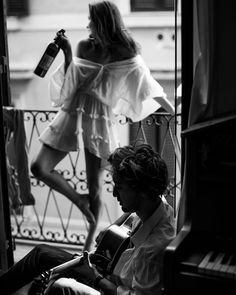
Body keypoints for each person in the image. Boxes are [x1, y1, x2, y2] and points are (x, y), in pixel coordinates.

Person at [30, 0, 175, 252]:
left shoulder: (125, 51)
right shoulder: (84, 45)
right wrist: (65, 53)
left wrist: (172, 109)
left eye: (92, 21)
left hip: (99, 123)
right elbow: (71, 84)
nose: (88, 25)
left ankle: (87, 249)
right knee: (39, 167)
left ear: (103, 23)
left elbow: (143, 80)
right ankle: (80, 201)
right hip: (73, 113)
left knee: (96, 189)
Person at [0, 144, 176, 295]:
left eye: (120, 188)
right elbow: (133, 213)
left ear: (142, 191)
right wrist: (111, 230)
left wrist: (94, 276)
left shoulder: (152, 251)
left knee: (44, 263)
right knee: (41, 262)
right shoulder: (157, 206)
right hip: (107, 267)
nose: (114, 193)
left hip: (106, 281)